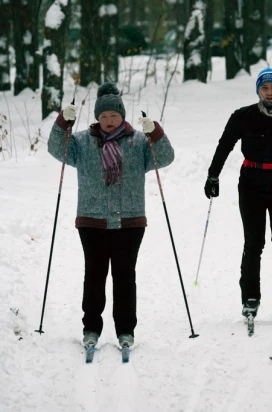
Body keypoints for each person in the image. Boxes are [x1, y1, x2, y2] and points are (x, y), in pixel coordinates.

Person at [47, 83, 175, 348]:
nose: (108, 120)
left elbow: (165, 157)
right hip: (91, 220)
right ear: (97, 116)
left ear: (123, 115)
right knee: (94, 275)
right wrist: (62, 123)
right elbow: (56, 148)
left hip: (130, 220)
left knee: (124, 275)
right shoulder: (81, 141)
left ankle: (125, 330)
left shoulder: (138, 142)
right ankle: (91, 328)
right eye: (103, 116)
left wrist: (156, 133)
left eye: (113, 115)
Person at [204, 68, 272, 322]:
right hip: (251, 182)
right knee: (253, 243)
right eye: (265, 88)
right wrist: (213, 175)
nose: (269, 93)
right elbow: (224, 145)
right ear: (258, 90)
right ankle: (250, 297)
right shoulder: (243, 116)